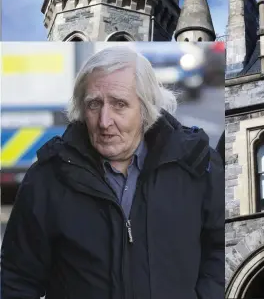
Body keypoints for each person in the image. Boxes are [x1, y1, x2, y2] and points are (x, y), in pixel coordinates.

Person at [1, 46, 225, 299]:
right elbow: (17, 278)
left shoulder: (197, 164)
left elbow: (221, 248)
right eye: (94, 104)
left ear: (145, 108)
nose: (104, 121)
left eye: (119, 105)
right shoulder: (47, 178)